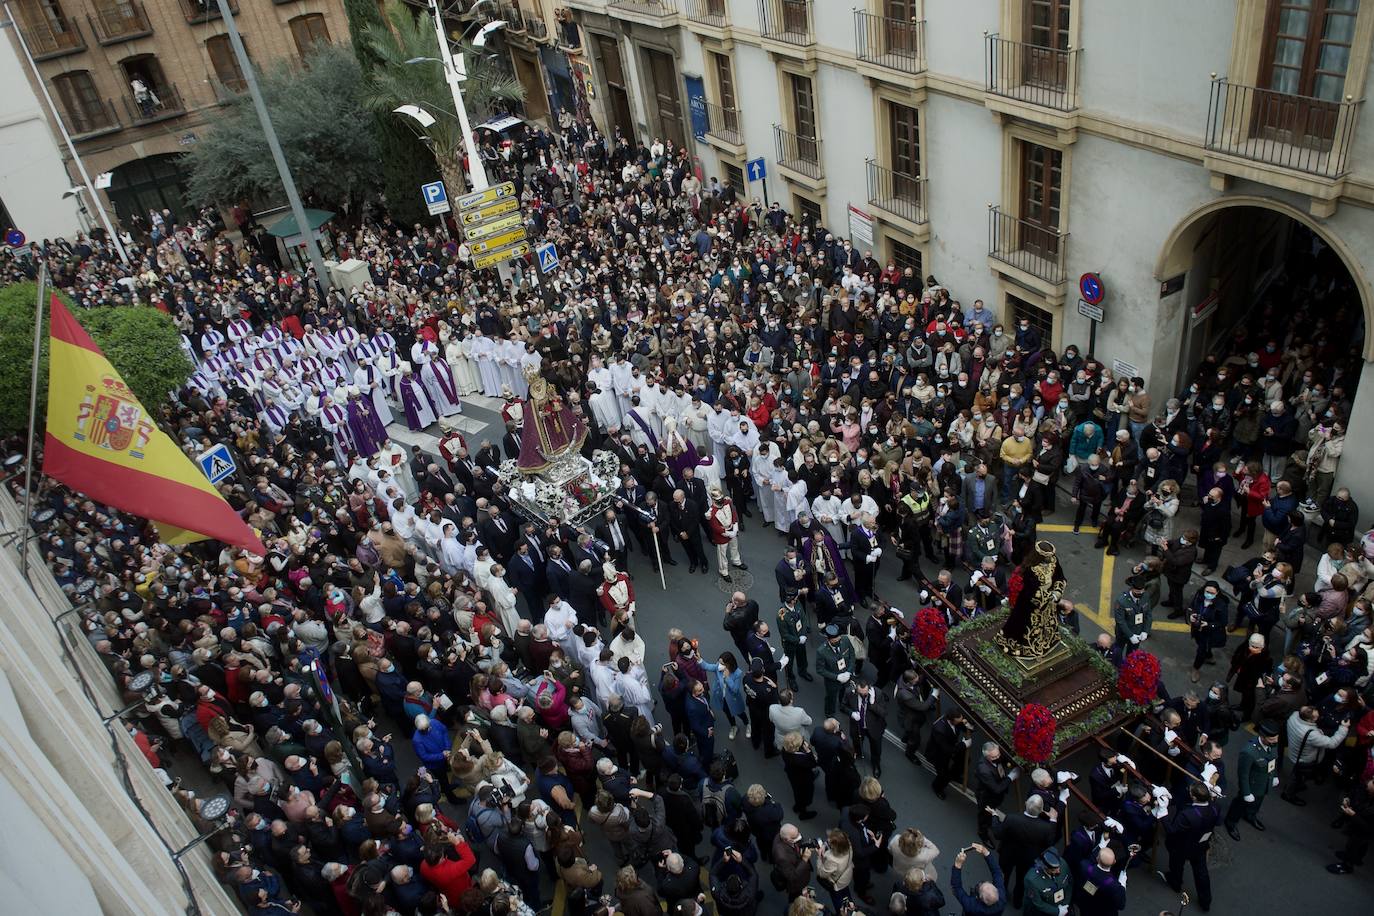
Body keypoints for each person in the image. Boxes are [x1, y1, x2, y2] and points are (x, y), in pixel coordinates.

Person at [1159, 782, 1219, 912]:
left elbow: (1172, 830)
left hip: (1182, 846)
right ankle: (1205, 901)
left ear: (1195, 797)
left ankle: (1175, 883)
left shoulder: (1187, 814)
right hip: (1201, 844)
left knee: (1176, 864)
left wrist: (1163, 813)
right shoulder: (1215, 807)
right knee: (1201, 873)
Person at [1224, 721, 1281, 840]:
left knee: (1258, 801)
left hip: (1264, 782)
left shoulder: (1273, 744)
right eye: (1272, 739)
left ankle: (1250, 815)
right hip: (1251, 785)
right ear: (1262, 737)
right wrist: (1246, 793)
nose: (1275, 741)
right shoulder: (1249, 752)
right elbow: (1243, 774)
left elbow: (1273, 760)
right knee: (1240, 803)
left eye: (1276, 738)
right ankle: (1231, 822)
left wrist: (1274, 775)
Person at [949, 843, 1005, 916]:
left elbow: (956, 888)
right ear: (997, 890)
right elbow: (997, 872)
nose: (982, 883)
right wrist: (986, 853)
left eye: (981, 886)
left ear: (980, 897)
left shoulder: (971, 906)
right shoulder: (1002, 898)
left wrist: (957, 865)